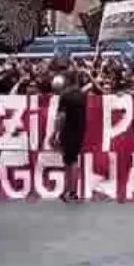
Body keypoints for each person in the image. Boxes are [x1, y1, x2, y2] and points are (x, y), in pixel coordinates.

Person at [51, 69, 88, 203]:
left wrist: (54, 133)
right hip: (80, 131)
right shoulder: (81, 95)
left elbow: (61, 116)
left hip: (68, 131)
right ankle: (69, 190)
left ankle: (71, 191)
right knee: (72, 160)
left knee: (70, 161)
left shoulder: (65, 96)